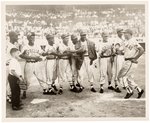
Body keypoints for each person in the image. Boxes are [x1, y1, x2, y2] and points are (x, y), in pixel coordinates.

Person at [118, 29, 144, 99]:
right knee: (129, 79)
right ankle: (139, 90)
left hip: (130, 62)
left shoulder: (133, 41)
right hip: (127, 61)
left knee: (121, 77)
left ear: (129, 34)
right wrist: (120, 52)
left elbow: (142, 50)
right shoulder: (127, 41)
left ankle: (129, 91)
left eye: (125, 33)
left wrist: (135, 58)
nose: (124, 34)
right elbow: (127, 52)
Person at [6, 31, 20, 103]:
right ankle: (8, 96)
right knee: (7, 82)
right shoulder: (8, 45)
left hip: (11, 65)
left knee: (10, 82)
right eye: (15, 36)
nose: (17, 37)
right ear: (11, 36)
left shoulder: (13, 45)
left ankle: (9, 96)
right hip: (7, 65)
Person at [111, 28, 125, 93]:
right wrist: (121, 51)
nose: (122, 33)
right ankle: (116, 86)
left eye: (122, 31)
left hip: (122, 57)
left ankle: (123, 84)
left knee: (122, 70)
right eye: (120, 32)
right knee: (117, 71)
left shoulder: (122, 39)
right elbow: (116, 48)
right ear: (118, 32)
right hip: (118, 57)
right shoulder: (117, 39)